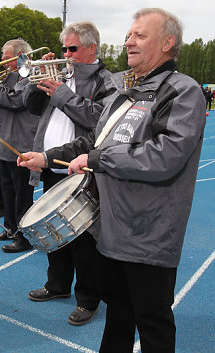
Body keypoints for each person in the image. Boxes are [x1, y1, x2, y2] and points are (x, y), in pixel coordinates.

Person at [19, 8, 206, 352]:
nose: (129, 41)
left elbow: (165, 155)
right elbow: (94, 142)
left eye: (140, 35)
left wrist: (97, 158)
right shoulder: (125, 91)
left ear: (168, 43)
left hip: (149, 234)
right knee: (119, 314)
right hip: (110, 230)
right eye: (129, 34)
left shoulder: (182, 91)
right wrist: (47, 158)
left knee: (153, 324)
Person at [23, 22, 115, 326]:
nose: (65, 54)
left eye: (72, 49)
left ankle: (88, 299)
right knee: (54, 231)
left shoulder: (106, 81)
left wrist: (62, 93)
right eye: (64, 48)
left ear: (92, 48)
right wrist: (39, 82)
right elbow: (32, 107)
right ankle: (57, 285)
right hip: (50, 164)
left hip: (81, 168)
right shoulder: (63, 75)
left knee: (84, 237)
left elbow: (99, 120)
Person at [0, 38, 39, 253]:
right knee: (8, 191)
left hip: (20, 143)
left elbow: (15, 101)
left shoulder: (30, 75)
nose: (2, 62)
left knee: (22, 195)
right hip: (4, 141)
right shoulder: (10, 77)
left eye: (6, 57)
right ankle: (11, 228)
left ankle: (24, 236)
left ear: (21, 56)